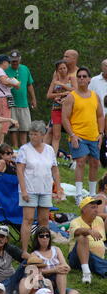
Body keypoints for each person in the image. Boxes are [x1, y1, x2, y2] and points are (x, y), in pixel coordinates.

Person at [17, 120, 63, 256]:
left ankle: (44, 249)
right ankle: (24, 250)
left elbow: (55, 170)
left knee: (44, 220)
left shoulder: (49, 150)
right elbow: (19, 171)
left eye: (35, 134)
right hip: (29, 189)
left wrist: (59, 188)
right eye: (31, 134)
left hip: (45, 190)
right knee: (28, 219)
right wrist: (24, 191)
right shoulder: (24, 149)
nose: (32, 137)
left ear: (42, 134)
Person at [62, 67, 104, 205]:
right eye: (79, 76)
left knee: (94, 163)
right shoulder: (71, 96)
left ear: (89, 79)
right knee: (80, 162)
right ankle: (79, 194)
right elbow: (65, 118)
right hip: (78, 135)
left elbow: (100, 116)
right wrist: (72, 135)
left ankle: (92, 194)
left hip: (93, 135)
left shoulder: (95, 96)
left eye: (84, 76)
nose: (81, 78)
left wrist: (101, 133)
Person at [31, 226, 78, 294]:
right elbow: (37, 272)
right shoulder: (34, 254)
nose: (45, 238)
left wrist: (66, 268)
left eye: (47, 235)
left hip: (59, 282)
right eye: (41, 236)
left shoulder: (56, 249)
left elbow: (64, 264)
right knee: (59, 272)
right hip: (45, 281)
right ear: (37, 238)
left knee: (75, 292)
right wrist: (54, 270)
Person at [68, 196, 107, 284]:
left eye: (96, 207)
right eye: (93, 207)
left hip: (96, 258)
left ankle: (99, 267)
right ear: (83, 210)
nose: (96, 210)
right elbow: (77, 231)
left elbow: (102, 240)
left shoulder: (99, 220)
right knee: (83, 237)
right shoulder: (75, 222)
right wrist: (88, 231)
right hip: (77, 258)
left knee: (95, 260)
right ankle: (86, 273)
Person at [5, 50, 37, 149]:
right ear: (10, 60)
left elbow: (29, 85)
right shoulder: (5, 70)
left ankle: (23, 148)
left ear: (19, 60)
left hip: (24, 103)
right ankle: (14, 148)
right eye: (13, 61)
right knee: (13, 128)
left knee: (24, 127)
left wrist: (33, 98)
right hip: (11, 103)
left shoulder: (25, 69)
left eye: (16, 60)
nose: (15, 62)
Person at [45, 60, 77, 154]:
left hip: (70, 109)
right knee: (56, 135)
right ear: (57, 70)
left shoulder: (72, 78)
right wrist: (60, 94)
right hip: (57, 108)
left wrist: (63, 85)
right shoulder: (55, 81)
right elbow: (48, 95)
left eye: (64, 68)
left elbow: (75, 90)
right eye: (60, 69)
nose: (63, 70)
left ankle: (74, 156)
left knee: (72, 132)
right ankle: (53, 157)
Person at [0, 54, 20, 138]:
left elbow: (5, 83)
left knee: (4, 122)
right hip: (2, 98)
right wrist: (15, 83)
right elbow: (4, 81)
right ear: (4, 62)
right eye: (8, 62)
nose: (9, 64)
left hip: (3, 97)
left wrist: (13, 84)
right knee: (3, 123)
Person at [88, 59, 107, 126]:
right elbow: (88, 97)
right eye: (106, 66)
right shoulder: (94, 80)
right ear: (102, 67)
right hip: (98, 118)